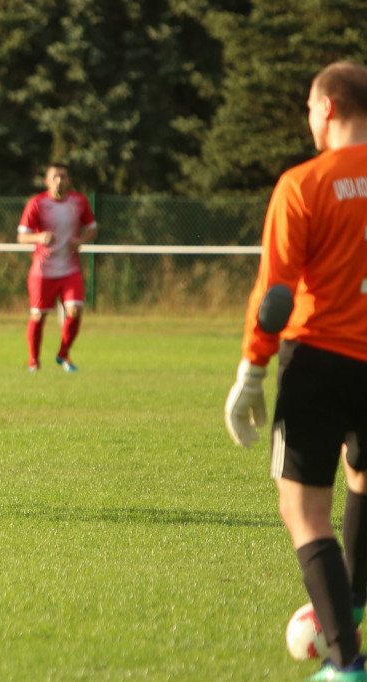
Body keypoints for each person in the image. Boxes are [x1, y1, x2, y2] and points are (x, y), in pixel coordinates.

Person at [225, 61, 367, 681]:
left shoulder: (304, 184)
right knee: (362, 474)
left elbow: (275, 295)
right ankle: (353, 598)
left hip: (320, 360)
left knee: (304, 511)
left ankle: (347, 666)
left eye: (310, 106)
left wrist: (251, 370)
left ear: (328, 107)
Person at [16, 163, 97, 372]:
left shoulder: (79, 202)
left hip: (70, 268)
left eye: (63, 176)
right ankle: (33, 360)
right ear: (47, 181)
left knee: (75, 310)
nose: (59, 180)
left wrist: (80, 240)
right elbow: (22, 236)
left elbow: (92, 229)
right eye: (54, 177)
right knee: (38, 315)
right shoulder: (37, 203)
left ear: (69, 180)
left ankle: (63, 354)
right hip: (43, 270)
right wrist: (39, 236)